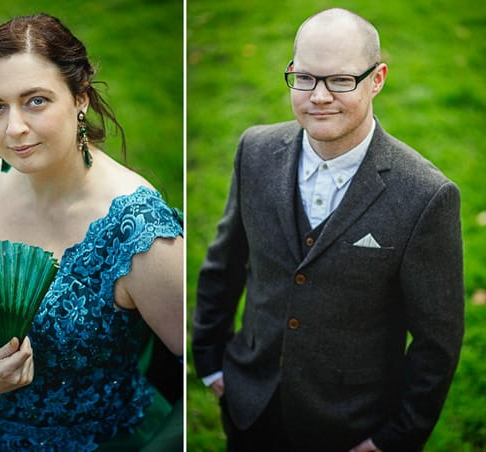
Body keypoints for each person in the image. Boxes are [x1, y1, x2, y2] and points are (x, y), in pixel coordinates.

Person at [0, 14, 183, 451]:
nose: (14, 128)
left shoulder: (138, 231)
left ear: (80, 98)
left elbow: (198, 353)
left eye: (35, 100)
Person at [192, 8, 463, 452]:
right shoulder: (255, 151)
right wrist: (211, 363)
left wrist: (394, 438)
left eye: (340, 81)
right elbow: (224, 263)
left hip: (351, 425)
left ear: (377, 79)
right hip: (249, 401)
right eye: (305, 78)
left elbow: (438, 341)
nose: (319, 96)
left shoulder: (425, 196)